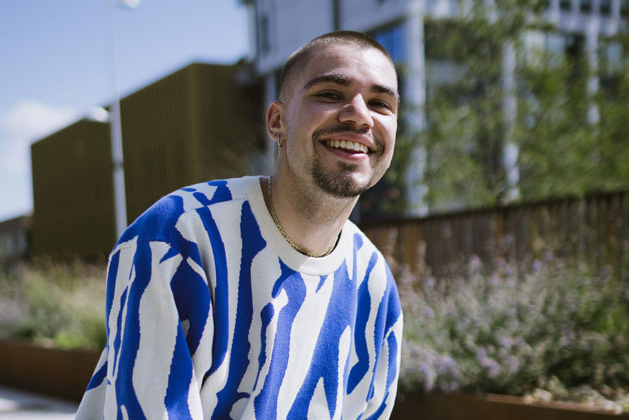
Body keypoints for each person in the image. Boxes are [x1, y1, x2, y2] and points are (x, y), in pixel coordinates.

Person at [76, 30, 403, 420]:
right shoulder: (178, 237)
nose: (359, 115)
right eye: (330, 94)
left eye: (380, 103)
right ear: (277, 121)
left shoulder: (375, 284)